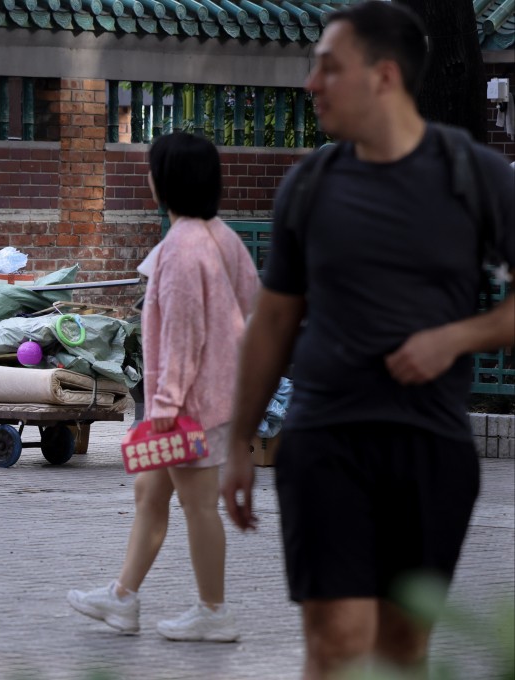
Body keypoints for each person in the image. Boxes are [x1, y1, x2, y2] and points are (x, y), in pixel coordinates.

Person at [220, 3, 515, 678]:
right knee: (335, 642)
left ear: (383, 77)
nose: (311, 83)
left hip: (431, 445)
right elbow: (273, 319)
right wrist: (238, 440)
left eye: (329, 66)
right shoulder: (311, 185)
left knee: (401, 651)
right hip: (325, 437)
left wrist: (456, 338)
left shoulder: (476, 178)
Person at [67, 132, 259, 641]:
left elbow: (181, 338)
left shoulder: (180, 250)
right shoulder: (223, 237)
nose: (149, 177)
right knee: (150, 492)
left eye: (153, 169)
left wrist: (167, 406)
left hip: (187, 406)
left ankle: (213, 612)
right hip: (214, 398)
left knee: (197, 506)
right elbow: (250, 308)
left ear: (166, 182)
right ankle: (123, 597)